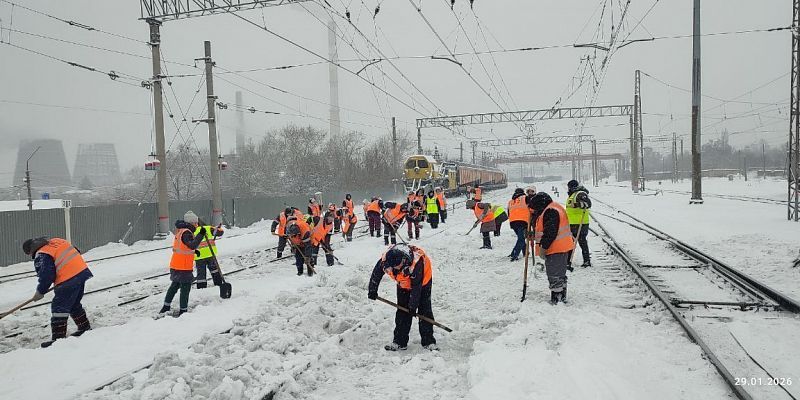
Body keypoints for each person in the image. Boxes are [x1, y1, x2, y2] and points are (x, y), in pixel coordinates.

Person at [22, 236, 93, 347]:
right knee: (73, 304)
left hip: (68, 279)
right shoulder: (57, 241)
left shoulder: (41, 254)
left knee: (58, 307)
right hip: (81, 272)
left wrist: (40, 291)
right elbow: (76, 251)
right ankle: (84, 327)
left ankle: (58, 340)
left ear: (30, 250)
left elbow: (47, 275)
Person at [368, 243, 438, 351]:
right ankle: (400, 341)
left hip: (422, 283)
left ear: (403, 260)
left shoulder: (416, 263)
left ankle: (428, 341)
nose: (395, 268)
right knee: (402, 310)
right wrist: (372, 289)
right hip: (403, 284)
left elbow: (416, 288)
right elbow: (377, 272)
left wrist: (413, 307)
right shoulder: (386, 260)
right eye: (393, 267)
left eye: (397, 266)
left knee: (424, 309)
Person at [529, 192, 575, 304]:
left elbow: (550, 232)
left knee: (554, 274)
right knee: (559, 273)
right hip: (562, 247)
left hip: (556, 248)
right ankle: (561, 296)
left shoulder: (550, 211)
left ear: (540, 205)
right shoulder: (553, 207)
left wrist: (543, 248)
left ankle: (557, 299)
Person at [160, 211, 207, 316]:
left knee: (174, 286)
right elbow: (192, 245)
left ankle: (166, 306)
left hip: (176, 265)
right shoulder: (186, 232)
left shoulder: (180, 231)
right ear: (191, 223)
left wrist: (195, 252)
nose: (197, 225)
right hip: (183, 267)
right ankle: (183, 311)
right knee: (185, 289)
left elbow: (183, 247)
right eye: (195, 223)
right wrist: (201, 235)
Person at [566, 180, 592, 268]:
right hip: (574, 223)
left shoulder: (580, 193)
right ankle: (584, 260)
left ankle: (584, 261)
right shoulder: (573, 194)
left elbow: (588, 204)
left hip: (579, 223)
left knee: (577, 242)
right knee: (574, 242)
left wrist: (579, 204)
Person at [193, 218, 224, 290]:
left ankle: (201, 289)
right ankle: (218, 284)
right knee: (214, 270)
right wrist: (218, 229)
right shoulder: (208, 228)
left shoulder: (190, 232)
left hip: (199, 257)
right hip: (210, 254)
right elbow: (220, 232)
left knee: (201, 274)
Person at [507, 188, 531, 262]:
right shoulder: (525, 198)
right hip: (522, 221)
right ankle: (514, 254)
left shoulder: (510, 201)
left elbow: (508, 212)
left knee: (521, 238)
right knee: (521, 239)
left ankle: (525, 252)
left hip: (513, 222)